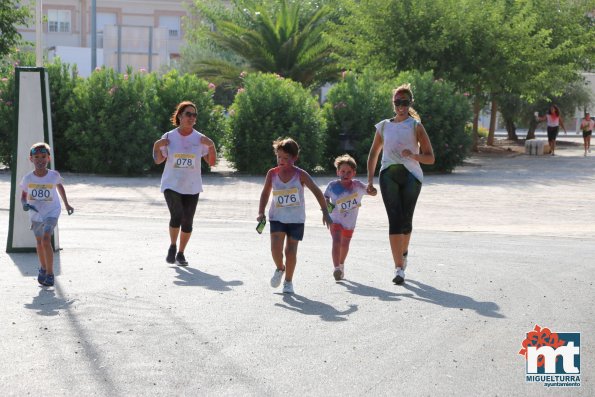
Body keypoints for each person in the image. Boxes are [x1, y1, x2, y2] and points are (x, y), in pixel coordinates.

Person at [366, 84, 435, 285]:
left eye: (405, 102)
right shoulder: (384, 126)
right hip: (388, 174)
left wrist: (413, 155)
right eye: (397, 102)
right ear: (393, 103)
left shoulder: (416, 126)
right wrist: (370, 181)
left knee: (406, 220)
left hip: (412, 175)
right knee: (394, 219)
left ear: (410, 103)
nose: (401, 106)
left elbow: (431, 158)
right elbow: (373, 154)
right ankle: (398, 268)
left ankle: (404, 252)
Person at [257, 138, 332, 294]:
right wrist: (260, 212)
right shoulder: (272, 173)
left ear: (294, 158)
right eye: (279, 157)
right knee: (275, 248)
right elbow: (265, 193)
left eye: (286, 158)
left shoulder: (301, 175)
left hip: (296, 219)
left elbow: (317, 192)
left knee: (291, 251)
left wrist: (325, 212)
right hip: (277, 216)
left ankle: (288, 281)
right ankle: (280, 268)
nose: (282, 161)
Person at [153, 101, 217, 266]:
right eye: (188, 114)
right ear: (179, 116)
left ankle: (181, 253)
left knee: (188, 221)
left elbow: (211, 163)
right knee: (177, 214)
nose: (191, 117)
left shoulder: (199, 138)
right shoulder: (169, 136)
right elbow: (158, 160)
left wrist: (211, 146)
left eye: (194, 115)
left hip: (192, 185)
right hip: (171, 184)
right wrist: (156, 146)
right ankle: (172, 246)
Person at [20, 142, 74, 287]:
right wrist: (24, 204)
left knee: (45, 239)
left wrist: (67, 204)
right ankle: (43, 268)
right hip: (36, 213)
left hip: (52, 211)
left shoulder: (53, 175)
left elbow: (60, 187)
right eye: (36, 157)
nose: (40, 160)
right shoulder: (27, 179)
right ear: (31, 159)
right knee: (39, 242)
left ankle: (50, 274)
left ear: (48, 158)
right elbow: (23, 196)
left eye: (43, 156)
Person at [324, 154, 376, 281]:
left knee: (345, 244)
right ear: (337, 172)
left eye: (348, 172)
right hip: (335, 219)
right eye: (342, 171)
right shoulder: (332, 185)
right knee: (336, 241)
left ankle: (341, 265)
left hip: (349, 223)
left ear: (353, 173)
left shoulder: (357, 186)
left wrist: (373, 190)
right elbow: (324, 196)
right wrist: (326, 208)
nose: (345, 174)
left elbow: (371, 192)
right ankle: (336, 268)